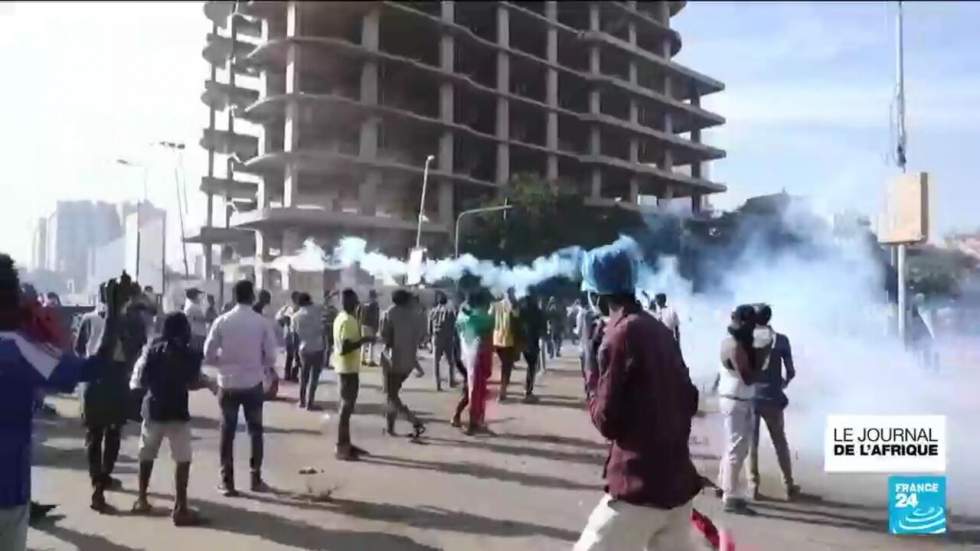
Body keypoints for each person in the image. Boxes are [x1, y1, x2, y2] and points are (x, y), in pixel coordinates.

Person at [575, 240, 703, 550]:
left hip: (637, 487)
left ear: (597, 296)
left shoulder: (619, 335)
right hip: (676, 484)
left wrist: (590, 371)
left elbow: (606, 420)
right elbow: (690, 398)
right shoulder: (658, 328)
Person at [129, 312, 214, 526]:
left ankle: (141, 499)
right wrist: (208, 384)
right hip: (177, 410)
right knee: (182, 459)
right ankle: (180, 508)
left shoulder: (151, 350)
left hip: (153, 409)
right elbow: (192, 382)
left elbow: (140, 381)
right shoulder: (190, 354)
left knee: (146, 454)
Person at [205, 280, 278, 496]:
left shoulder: (222, 321)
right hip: (252, 383)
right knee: (255, 431)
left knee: (227, 432)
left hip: (227, 384)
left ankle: (227, 482)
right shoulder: (261, 323)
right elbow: (272, 356)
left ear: (234, 297)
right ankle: (255, 478)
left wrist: (224, 363)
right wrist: (258, 365)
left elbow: (208, 354)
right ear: (252, 297)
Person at [82, 273, 147, 513]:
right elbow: (136, 349)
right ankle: (102, 481)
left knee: (96, 434)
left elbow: (81, 349)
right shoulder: (132, 323)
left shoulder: (92, 319)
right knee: (110, 433)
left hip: (97, 382)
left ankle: (98, 481)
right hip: (115, 381)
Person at [748, 304, 799, 501]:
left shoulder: (747, 339)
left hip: (751, 397)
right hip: (773, 397)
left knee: (752, 444)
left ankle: (753, 485)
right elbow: (791, 371)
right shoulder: (781, 340)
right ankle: (788, 484)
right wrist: (782, 383)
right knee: (780, 441)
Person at [716, 304, 761, 515]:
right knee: (737, 448)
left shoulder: (729, 342)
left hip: (733, 398)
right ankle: (731, 497)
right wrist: (761, 363)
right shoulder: (736, 346)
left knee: (732, 446)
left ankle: (724, 486)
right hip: (737, 400)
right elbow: (747, 377)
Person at [333, 288, 375, 460]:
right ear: (350, 303)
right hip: (347, 369)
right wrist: (364, 340)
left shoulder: (340, 318)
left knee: (346, 408)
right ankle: (342, 447)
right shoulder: (349, 321)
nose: (358, 305)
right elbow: (344, 347)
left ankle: (346, 444)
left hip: (344, 368)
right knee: (345, 409)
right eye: (356, 301)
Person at [380, 289, 426, 438]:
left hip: (392, 361)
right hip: (408, 363)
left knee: (391, 395)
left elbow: (385, 336)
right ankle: (390, 428)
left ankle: (413, 420)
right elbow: (419, 338)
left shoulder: (389, 313)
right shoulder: (415, 315)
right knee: (392, 395)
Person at [452, 289, 494, 435]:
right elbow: (488, 324)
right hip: (476, 358)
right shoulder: (480, 318)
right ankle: (473, 424)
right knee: (476, 391)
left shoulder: (462, 315)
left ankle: (469, 420)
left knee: (473, 391)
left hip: (466, 357)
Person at [291, 293, 325, 410]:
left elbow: (294, 337)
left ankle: (302, 401)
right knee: (314, 378)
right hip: (318, 348)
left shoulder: (295, 317)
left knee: (304, 377)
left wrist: (295, 355)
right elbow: (324, 329)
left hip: (304, 349)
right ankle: (310, 403)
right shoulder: (317, 311)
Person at [491, 289, 520, 402]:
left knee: (504, 365)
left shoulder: (496, 305)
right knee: (506, 367)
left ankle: (502, 390)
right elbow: (517, 317)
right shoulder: (513, 305)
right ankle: (502, 391)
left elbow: (490, 316)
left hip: (497, 339)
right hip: (508, 340)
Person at [519, 293, 545, 403]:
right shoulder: (538, 312)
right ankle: (528, 392)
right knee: (532, 367)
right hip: (533, 342)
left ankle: (527, 390)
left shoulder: (522, 311)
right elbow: (543, 328)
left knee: (530, 367)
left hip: (524, 342)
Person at [428, 291, 457, 391]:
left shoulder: (433, 311)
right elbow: (454, 326)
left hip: (436, 337)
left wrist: (429, 339)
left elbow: (429, 327)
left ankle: (437, 384)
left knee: (436, 361)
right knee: (450, 361)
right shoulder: (450, 312)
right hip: (448, 338)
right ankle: (451, 382)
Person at [277, 291, 302, 382]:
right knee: (291, 355)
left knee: (296, 355)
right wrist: (285, 323)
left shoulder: (300, 308)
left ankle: (293, 374)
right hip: (289, 334)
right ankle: (288, 374)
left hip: (296, 334)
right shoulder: (287, 308)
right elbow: (278, 319)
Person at [357, 289, 380, 367]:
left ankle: (362, 359)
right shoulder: (375, 304)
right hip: (371, 325)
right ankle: (370, 360)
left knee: (364, 342)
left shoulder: (362, 303)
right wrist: (376, 327)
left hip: (363, 324)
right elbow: (376, 316)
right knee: (371, 343)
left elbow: (358, 313)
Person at [183, 289, 208, 353]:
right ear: (194, 296)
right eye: (199, 295)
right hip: (197, 334)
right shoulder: (193, 308)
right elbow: (203, 319)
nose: (200, 297)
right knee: (197, 353)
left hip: (197, 333)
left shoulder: (193, 306)